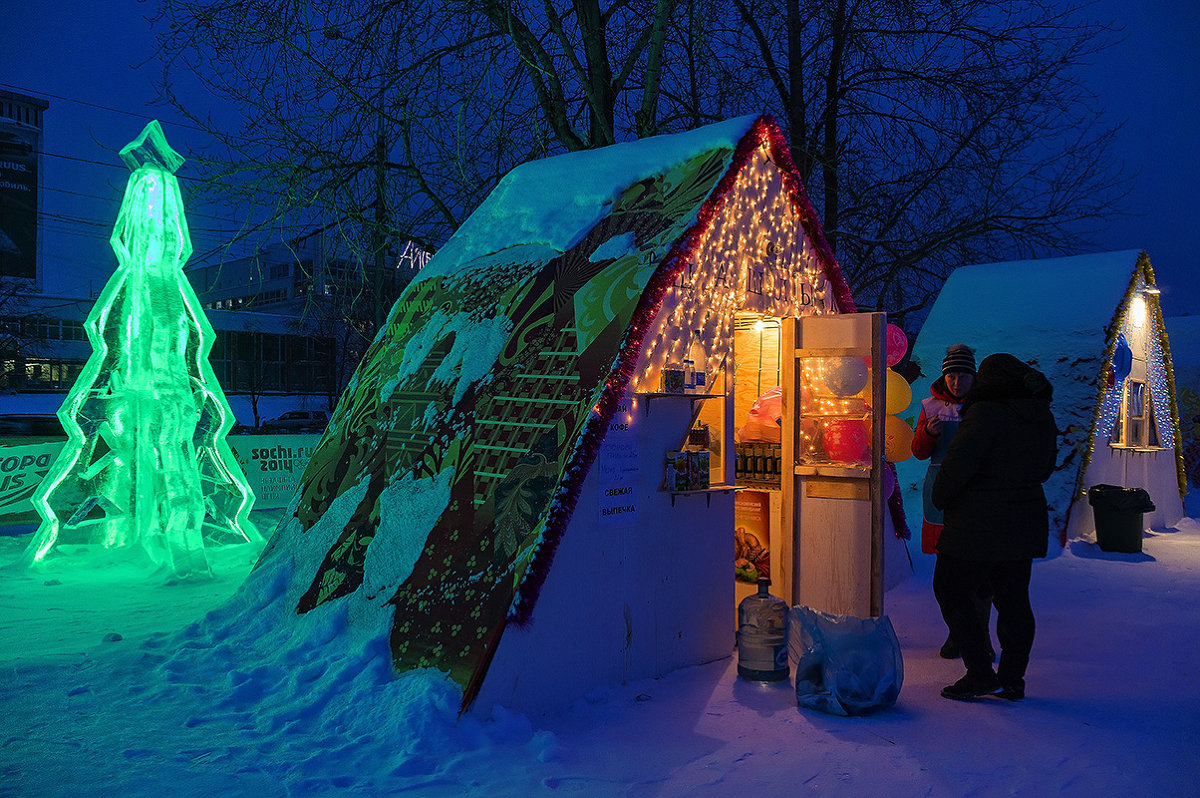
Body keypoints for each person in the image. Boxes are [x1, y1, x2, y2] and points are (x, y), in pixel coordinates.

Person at [931, 353, 1057, 701]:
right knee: (1014, 600)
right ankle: (1013, 678)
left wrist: (940, 496)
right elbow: (1046, 469)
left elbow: (958, 465)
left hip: (976, 524)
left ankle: (980, 671)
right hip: (1024, 523)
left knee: (951, 589)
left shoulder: (985, 413)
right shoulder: (1040, 414)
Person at [911, 344, 992, 660]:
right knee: (949, 572)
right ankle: (958, 633)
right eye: (951, 375)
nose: (956, 382)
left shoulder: (985, 407)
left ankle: (978, 638)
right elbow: (918, 451)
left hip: (975, 495)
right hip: (942, 492)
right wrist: (929, 435)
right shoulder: (930, 407)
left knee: (978, 574)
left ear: (973, 377)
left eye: (962, 376)